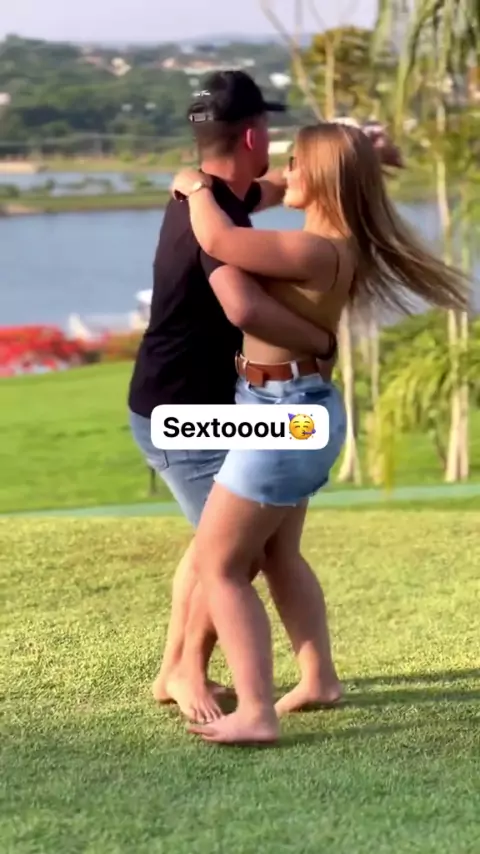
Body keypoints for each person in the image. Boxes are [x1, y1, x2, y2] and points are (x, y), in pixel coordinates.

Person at [171, 121, 468, 745]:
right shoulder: (333, 245)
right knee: (280, 556)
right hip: (290, 407)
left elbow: (218, 238)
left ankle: (257, 711)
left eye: (296, 165)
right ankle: (319, 679)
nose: (286, 175)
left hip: (282, 414)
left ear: (325, 177)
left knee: (221, 567)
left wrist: (194, 186)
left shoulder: (315, 251)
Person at [128, 71, 341, 724]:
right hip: (182, 413)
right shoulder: (207, 218)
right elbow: (242, 305)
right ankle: (184, 672)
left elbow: (274, 189)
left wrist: (348, 161)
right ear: (253, 136)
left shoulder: (217, 198)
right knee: (231, 553)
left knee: (226, 544)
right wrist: (319, 340)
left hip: (215, 406)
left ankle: (182, 669)